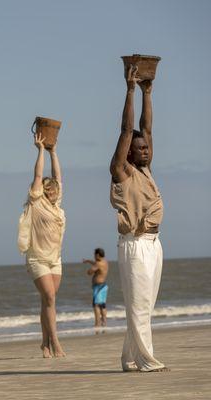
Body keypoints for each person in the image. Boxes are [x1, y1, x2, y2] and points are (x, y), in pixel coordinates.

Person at [109, 65, 168, 372]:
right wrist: (130, 90)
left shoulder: (145, 168)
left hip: (153, 244)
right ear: (128, 154)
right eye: (139, 149)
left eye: (146, 148)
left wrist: (148, 92)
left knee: (144, 306)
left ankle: (130, 358)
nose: (145, 151)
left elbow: (147, 127)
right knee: (139, 306)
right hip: (134, 245)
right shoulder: (122, 171)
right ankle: (147, 360)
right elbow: (126, 129)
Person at [20, 132, 66, 358]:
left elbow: (58, 175)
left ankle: (44, 342)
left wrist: (54, 152)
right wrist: (40, 150)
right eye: (49, 189)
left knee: (48, 301)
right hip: (37, 258)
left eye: (54, 189)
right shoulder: (36, 202)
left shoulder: (57, 207)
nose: (53, 192)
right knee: (49, 297)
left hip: (55, 259)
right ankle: (55, 342)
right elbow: (39, 175)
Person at [82, 248, 109, 328]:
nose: (93, 256)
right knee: (102, 305)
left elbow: (89, 272)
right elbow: (95, 263)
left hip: (98, 287)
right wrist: (87, 261)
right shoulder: (105, 262)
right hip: (104, 286)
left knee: (96, 305)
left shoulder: (98, 264)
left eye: (94, 254)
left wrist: (91, 270)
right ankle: (104, 322)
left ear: (97, 255)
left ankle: (97, 323)